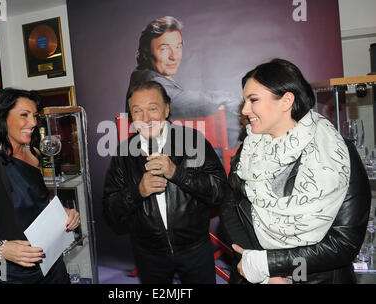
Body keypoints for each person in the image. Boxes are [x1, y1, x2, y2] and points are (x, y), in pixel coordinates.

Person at [219, 58, 371, 284]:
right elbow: (230, 209)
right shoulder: (248, 151)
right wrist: (263, 273)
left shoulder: (337, 153)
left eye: (253, 100)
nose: (244, 109)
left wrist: (269, 264)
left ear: (286, 100)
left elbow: (344, 242)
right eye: (244, 101)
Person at [103, 80, 228, 284]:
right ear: (131, 117)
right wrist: (138, 191)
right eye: (137, 111)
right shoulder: (123, 154)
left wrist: (177, 173)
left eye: (153, 108)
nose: (146, 118)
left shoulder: (193, 141)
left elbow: (220, 192)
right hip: (149, 255)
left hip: (195, 249)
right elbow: (111, 211)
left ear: (166, 109)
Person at [0, 88, 80, 284]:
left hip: (48, 262)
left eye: (35, 116)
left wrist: (65, 213)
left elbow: (37, 202)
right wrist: (1, 249)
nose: (34, 122)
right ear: (2, 118)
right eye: (24, 115)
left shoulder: (35, 155)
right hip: (6, 272)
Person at [126, 16, 242, 148]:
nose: (174, 56)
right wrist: (235, 102)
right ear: (146, 53)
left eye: (178, 47)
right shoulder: (148, 82)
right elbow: (197, 104)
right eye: (164, 49)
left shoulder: (145, 78)